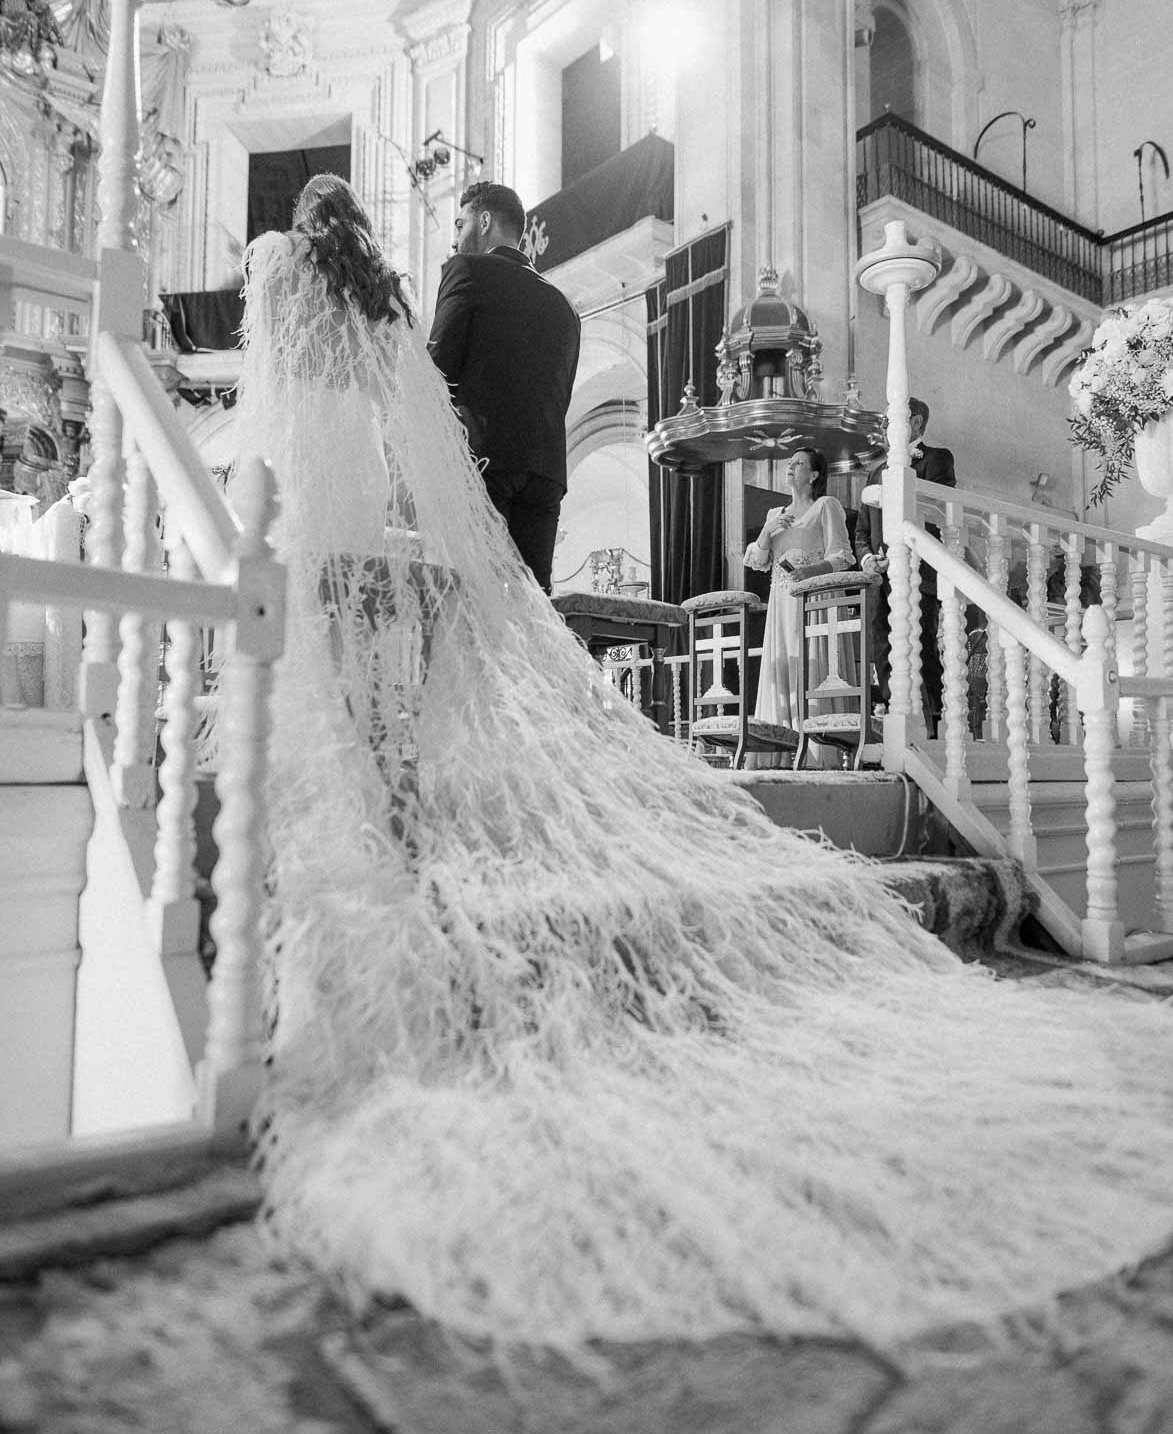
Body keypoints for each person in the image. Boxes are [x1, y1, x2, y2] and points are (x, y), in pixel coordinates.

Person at [232, 190, 1173, 1358]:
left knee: (432, 656)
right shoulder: (565, 313)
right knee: (500, 654)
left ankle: (437, 784)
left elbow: (431, 384)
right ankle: (498, 780)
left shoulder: (468, 282)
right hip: (539, 491)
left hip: (456, 481)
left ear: (472, 226)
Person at [427, 179, 581, 593]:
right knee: (531, 604)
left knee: (476, 597)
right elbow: (561, 395)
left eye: (459, 225)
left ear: (483, 221)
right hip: (545, 472)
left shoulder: (467, 270)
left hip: (484, 463)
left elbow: (437, 372)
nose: (456, 238)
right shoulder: (564, 307)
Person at [854, 396, 956, 733]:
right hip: (882, 578)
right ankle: (895, 716)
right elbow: (862, 530)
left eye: (892, 419)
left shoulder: (937, 459)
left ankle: (935, 723)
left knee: (921, 646)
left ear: (915, 422)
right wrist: (869, 558)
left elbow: (937, 513)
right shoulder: (874, 474)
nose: (885, 427)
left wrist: (902, 551)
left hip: (918, 573)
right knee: (883, 647)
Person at [743, 446, 854, 731]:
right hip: (781, 602)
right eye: (789, 462)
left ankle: (819, 740)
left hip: (817, 597)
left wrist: (810, 571)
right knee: (785, 667)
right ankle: (782, 738)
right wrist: (767, 531)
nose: (791, 466)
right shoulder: (774, 514)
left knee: (814, 663)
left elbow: (842, 556)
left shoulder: (826, 505)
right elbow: (757, 562)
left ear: (814, 474)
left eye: (799, 463)